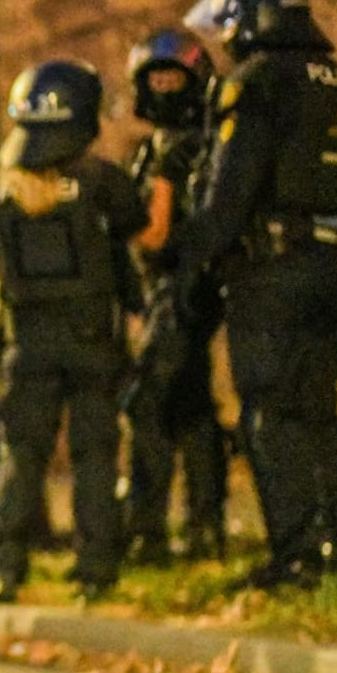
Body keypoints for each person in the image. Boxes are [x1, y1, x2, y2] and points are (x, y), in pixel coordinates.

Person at [177, 0, 337, 588]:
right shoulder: (336, 81)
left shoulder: (254, 83)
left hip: (273, 271)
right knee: (319, 410)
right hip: (335, 266)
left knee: (269, 414)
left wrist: (191, 260)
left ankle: (296, 556)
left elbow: (230, 195)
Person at [0, 61, 148, 603]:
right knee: (96, 454)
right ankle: (96, 569)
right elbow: (138, 238)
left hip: (29, 342)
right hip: (94, 337)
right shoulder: (102, 181)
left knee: (20, 454)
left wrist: (8, 323)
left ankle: (0, 564)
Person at [121, 30, 226, 565]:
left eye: (172, 78)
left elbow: (157, 231)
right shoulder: (178, 143)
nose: (162, 88)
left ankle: (147, 533)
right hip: (184, 289)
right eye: (154, 78)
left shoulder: (176, 148)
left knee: (147, 405)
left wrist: (114, 226)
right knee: (192, 406)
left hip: (178, 286)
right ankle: (207, 527)